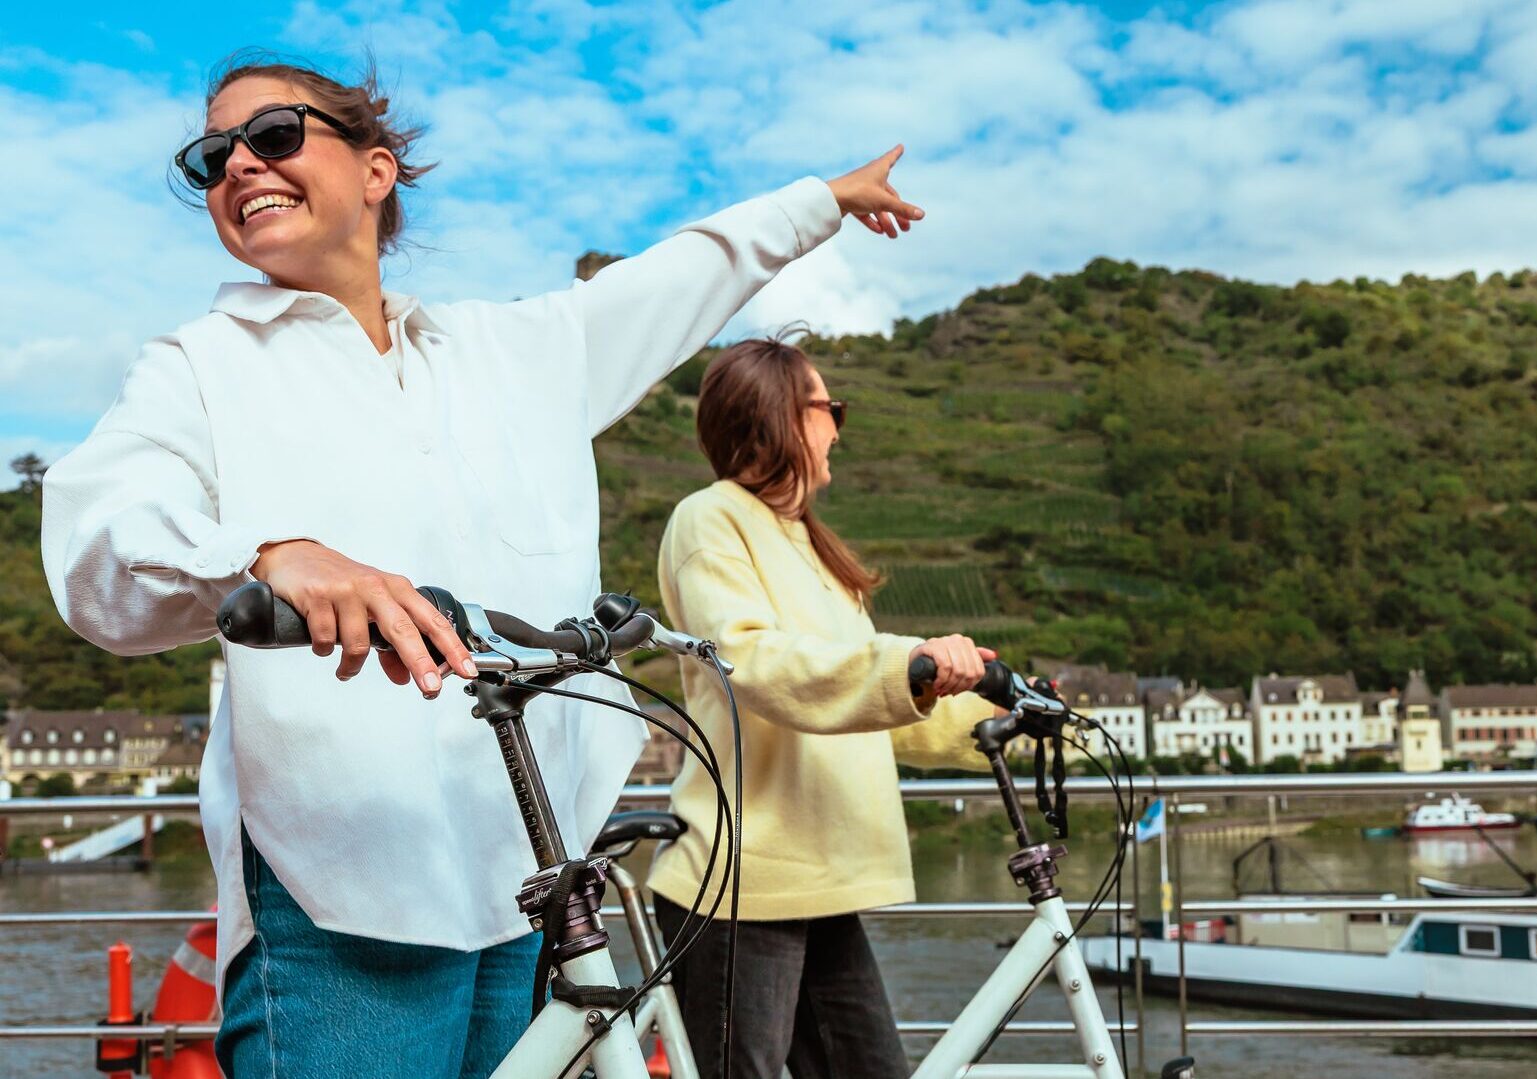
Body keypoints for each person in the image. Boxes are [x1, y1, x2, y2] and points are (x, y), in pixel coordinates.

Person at [39, 54, 923, 1078]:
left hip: (531, 884)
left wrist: (821, 203)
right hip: (340, 896)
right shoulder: (198, 365)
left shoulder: (515, 352)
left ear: (376, 171)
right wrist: (266, 554)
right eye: (209, 156)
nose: (237, 162)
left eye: (274, 134)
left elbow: (678, 275)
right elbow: (99, 529)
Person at [649, 336, 998, 1079]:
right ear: (782, 415)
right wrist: (908, 660)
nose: (839, 426)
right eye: (829, 407)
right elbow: (758, 661)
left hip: (821, 875)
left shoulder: (811, 545)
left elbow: (869, 700)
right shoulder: (710, 519)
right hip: (742, 883)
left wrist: (1002, 728)